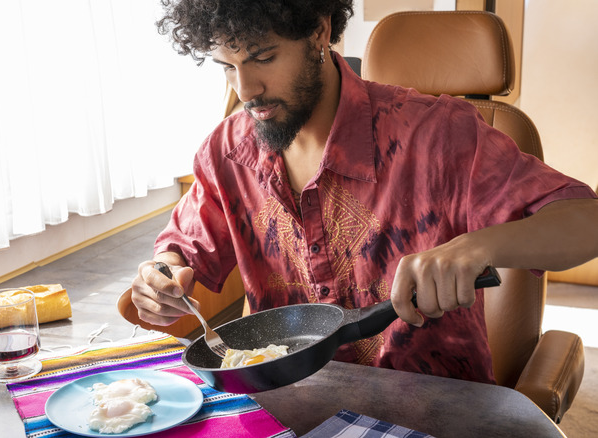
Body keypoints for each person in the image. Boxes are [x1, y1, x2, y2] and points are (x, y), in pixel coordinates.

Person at [130, 0, 598, 383]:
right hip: (291, 408)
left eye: (263, 57)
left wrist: (477, 246)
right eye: (226, 67)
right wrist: (163, 276)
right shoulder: (226, 152)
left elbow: (585, 220)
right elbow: (180, 253)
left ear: (318, 31)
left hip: (431, 412)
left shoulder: (436, 134)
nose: (245, 89)